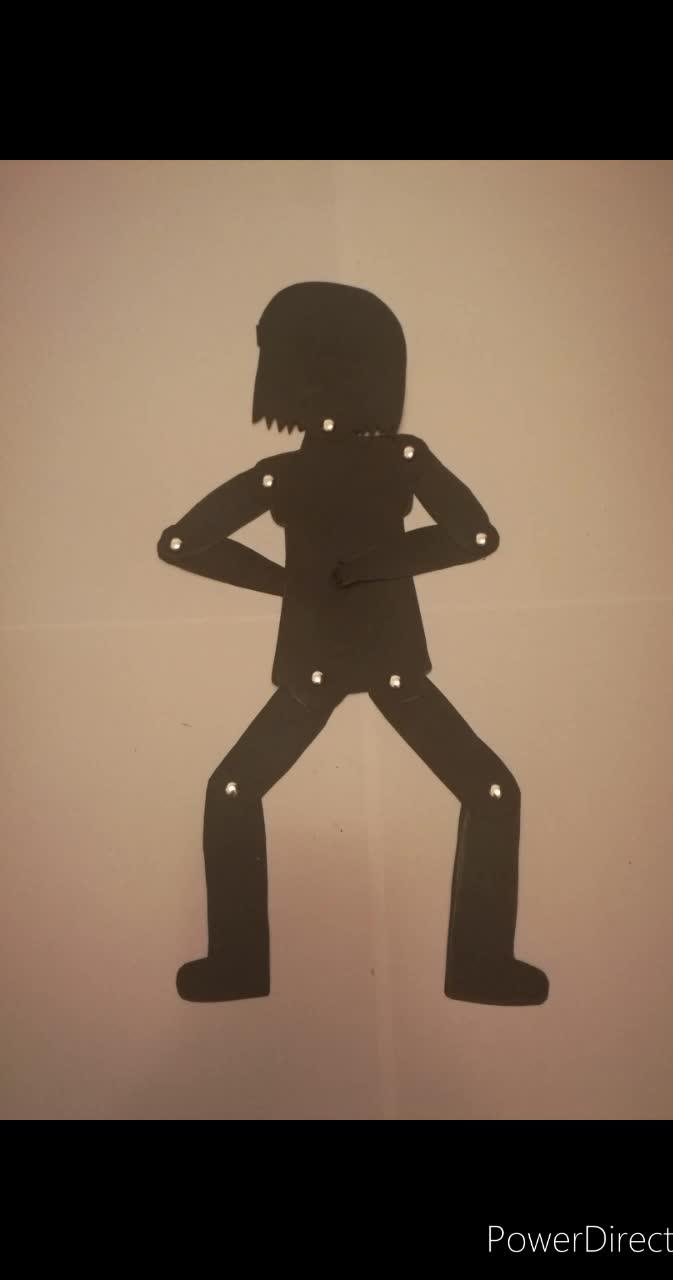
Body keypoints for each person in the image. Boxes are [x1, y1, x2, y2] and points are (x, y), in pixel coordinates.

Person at [158, 281, 548, 1006]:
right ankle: (480, 966)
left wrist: (306, 581)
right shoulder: (400, 458)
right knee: (491, 790)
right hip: (388, 661)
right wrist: (351, 572)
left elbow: (182, 543)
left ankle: (238, 965)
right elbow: (476, 536)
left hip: (319, 665)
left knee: (233, 788)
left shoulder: (285, 474)